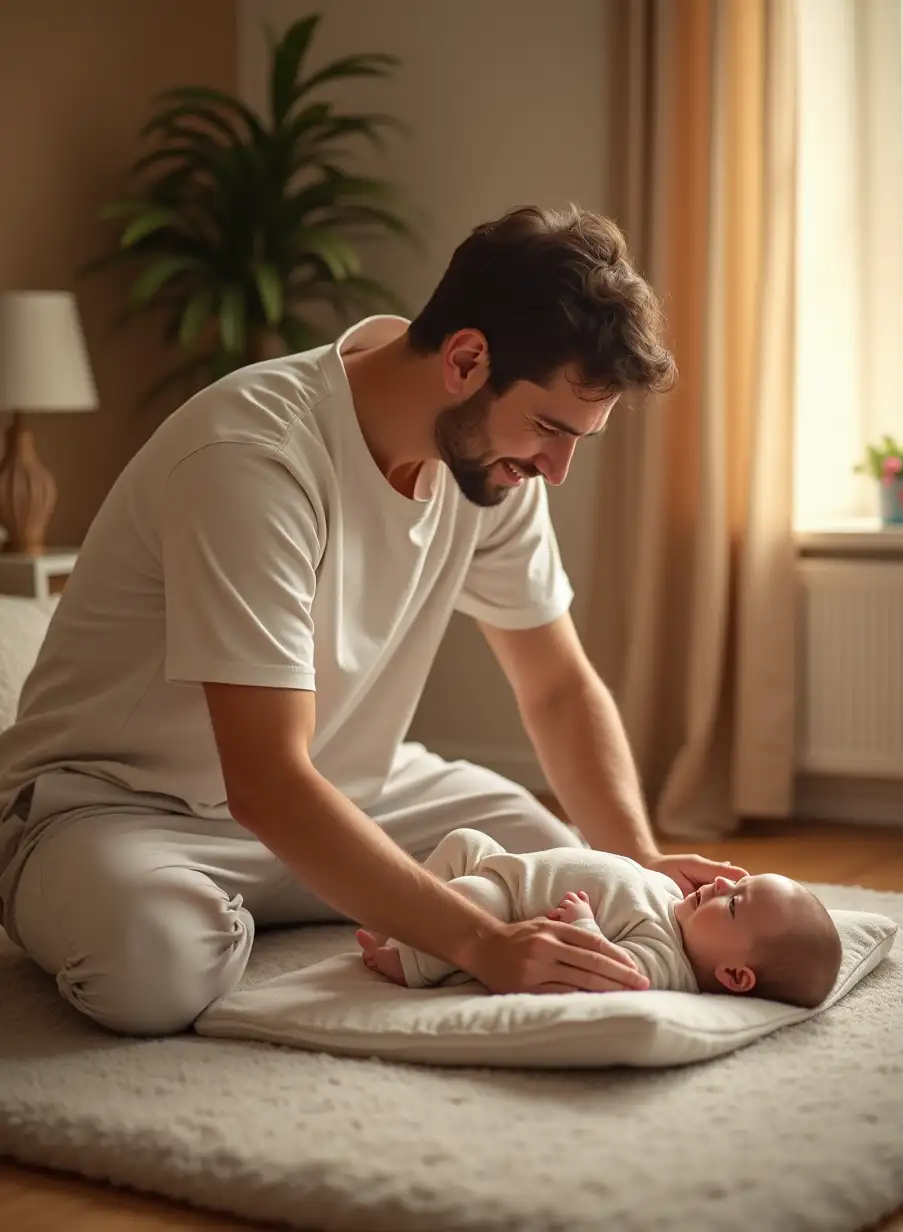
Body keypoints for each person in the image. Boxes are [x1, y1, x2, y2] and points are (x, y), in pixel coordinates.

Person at [0, 204, 748, 1037]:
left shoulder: (492, 470)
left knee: (556, 852)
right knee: (153, 967)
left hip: (352, 787)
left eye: (578, 439)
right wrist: (484, 940)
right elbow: (267, 782)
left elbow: (560, 690)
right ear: (467, 358)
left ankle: (317, 899)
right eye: (548, 428)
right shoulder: (255, 456)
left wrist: (634, 862)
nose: (556, 469)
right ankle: (206, 908)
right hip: (122, 809)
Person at [357, 828, 843, 1009]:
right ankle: (395, 919)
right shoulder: (680, 908)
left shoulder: (665, 960)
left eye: (734, 903)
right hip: (512, 866)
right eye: (736, 883)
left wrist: (583, 924)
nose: (719, 885)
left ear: (735, 975)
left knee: (468, 898)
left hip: (512, 904)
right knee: (463, 842)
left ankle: (411, 962)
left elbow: (609, 974)